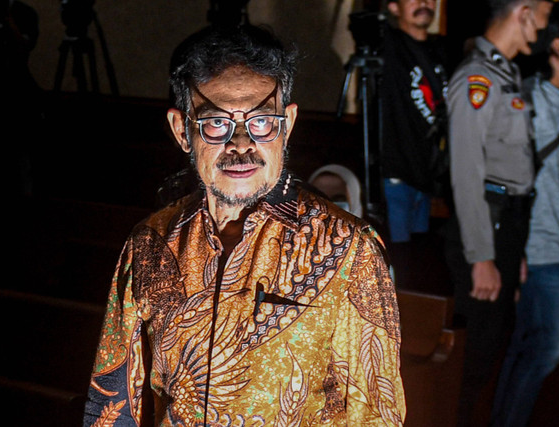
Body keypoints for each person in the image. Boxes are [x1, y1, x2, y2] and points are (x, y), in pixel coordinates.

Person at [83, 25, 405, 425]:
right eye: (216, 124)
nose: (241, 144)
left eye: (262, 122)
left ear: (287, 124)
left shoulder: (347, 247)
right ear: (183, 130)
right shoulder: (150, 242)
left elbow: (375, 412)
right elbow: (113, 400)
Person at [446, 0, 554, 425]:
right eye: (546, 10)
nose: (547, 23)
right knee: (471, 360)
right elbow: (467, 173)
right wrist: (482, 256)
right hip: (485, 228)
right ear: (524, 10)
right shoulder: (477, 79)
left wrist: (514, 250)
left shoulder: (507, 73)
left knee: (490, 351)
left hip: (505, 226)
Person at [492, 14, 559, 427]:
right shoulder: (532, 102)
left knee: (525, 345)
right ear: (557, 49)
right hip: (540, 247)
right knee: (547, 346)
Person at [380, 0, 449, 287]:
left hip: (428, 175)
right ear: (394, 6)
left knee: (419, 265)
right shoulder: (390, 46)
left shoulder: (441, 51)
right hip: (398, 173)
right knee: (399, 262)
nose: (424, 3)